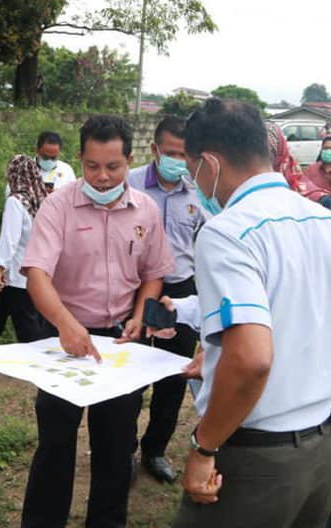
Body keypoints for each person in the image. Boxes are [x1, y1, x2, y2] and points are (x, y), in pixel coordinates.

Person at [171, 98, 331, 528]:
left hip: (254, 459)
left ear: (208, 163)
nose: (194, 181)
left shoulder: (228, 233)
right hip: (322, 451)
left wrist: (204, 446)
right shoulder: (328, 221)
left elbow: (251, 358)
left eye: (191, 168)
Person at [19, 115, 175, 528]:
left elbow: (153, 273)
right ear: (80, 160)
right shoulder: (58, 207)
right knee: (55, 443)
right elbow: (37, 275)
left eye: (113, 167)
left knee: (116, 446)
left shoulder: (145, 210)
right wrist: (66, 324)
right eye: (92, 167)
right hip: (63, 336)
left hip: (120, 343)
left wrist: (141, 315)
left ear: (130, 161)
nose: (102, 178)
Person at [126, 116, 204, 484]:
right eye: (169, 152)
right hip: (137, 290)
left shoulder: (198, 192)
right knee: (131, 373)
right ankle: (122, 449)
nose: (176, 159)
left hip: (182, 292)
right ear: (155, 150)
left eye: (183, 154)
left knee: (174, 376)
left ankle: (154, 450)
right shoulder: (131, 185)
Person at [0, 155, 52, 342]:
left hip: (19, 277)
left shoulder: (16, 202)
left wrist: (0, 267)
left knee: (28, 334)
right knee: (41, 329)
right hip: (44, 275)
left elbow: (10, 240)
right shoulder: (44, 199)